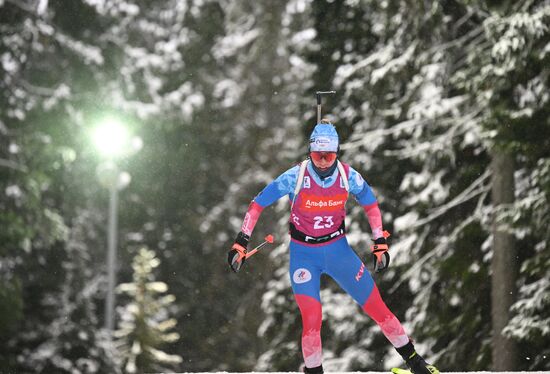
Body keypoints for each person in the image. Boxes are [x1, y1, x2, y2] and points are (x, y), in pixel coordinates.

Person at [227, 120, 439, 374]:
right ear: (310, 152)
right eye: (318, 155)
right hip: (303, 256)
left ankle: (416, 362)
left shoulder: (349, 176)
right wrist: (242, 240)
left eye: (329, 155)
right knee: (312, 319)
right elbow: (258, 204)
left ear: (337, 153)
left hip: (339, 252)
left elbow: (370, 204)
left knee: (377, 307)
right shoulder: (296, 176)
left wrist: (379, 242)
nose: (324, 161)